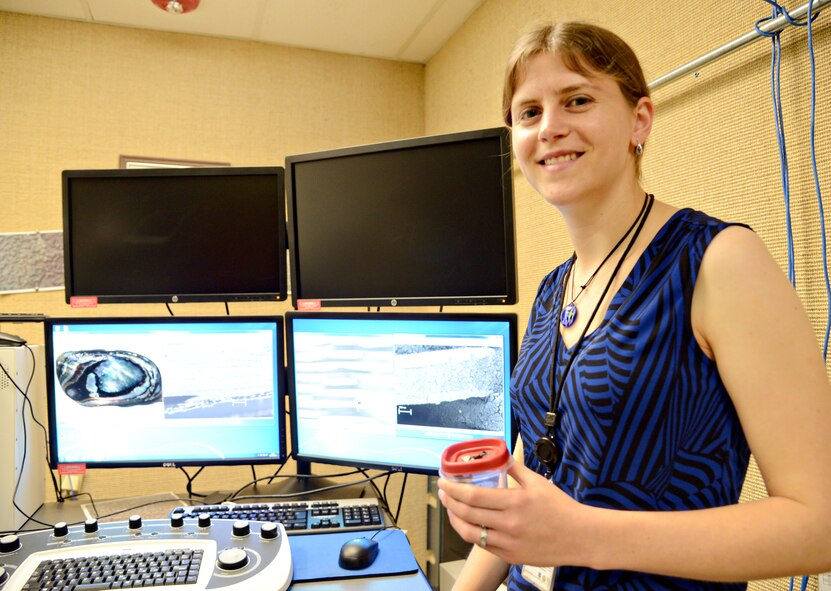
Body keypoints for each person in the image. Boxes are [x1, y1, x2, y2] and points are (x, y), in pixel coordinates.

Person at [437, 21, 831, 591]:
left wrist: (578, 535)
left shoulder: (718, 261)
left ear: (639, 120)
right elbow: (535, 493)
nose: (550, 127)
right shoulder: (552, 292)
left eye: (577, 100)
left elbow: (819, 523)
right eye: (529, 112)